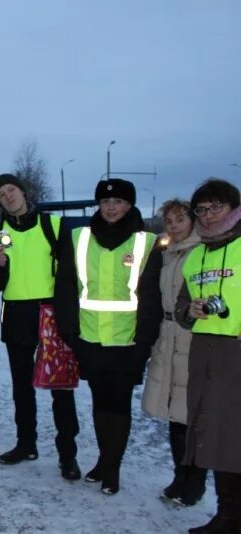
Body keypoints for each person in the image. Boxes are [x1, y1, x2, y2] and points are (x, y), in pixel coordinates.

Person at [55, 178, 162, 495]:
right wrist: (71, 335)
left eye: (118, 202)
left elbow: (151, 297)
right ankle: (104, 460)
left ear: (129, 206)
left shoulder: (147, 242)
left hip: (128, 343)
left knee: (119, 406)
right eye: (105, 202)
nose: (111, 207)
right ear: (98, 205)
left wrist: (144, 343)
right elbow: (65, 289)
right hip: (89, 340)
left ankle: (112, 468)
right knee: (100, 404)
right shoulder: (78, 238)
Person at [0, 173, 81, 479]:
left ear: (24, 192)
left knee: (60, 386)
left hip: (50, 311)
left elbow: (70, 274)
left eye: (11, 190)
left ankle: (68, 454)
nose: (8, 196)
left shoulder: (53, 226)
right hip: (15, 313)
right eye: (2, 194)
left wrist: (69, 316)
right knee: (21, 386)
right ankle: (26, 443)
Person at [175, 179, 241, 533]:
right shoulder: (195, 255)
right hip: (205, 352)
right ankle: (227, 514)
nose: (208, 215)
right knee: (214, 435)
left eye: (216, 207)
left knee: (236, 435)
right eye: (201, 209)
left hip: (236, 351)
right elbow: (181, 305)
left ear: (233, 207)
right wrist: (192, 311)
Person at [141, 199, 206, 506]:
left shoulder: (201, 252)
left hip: (192, 337)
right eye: (169, 221)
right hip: (167, 336)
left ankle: (195, 483)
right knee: (173, 415)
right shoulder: (167, 254)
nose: (174, 226)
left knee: (192, 416)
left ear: (192, 221)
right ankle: (179, 476)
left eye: (180, 219)